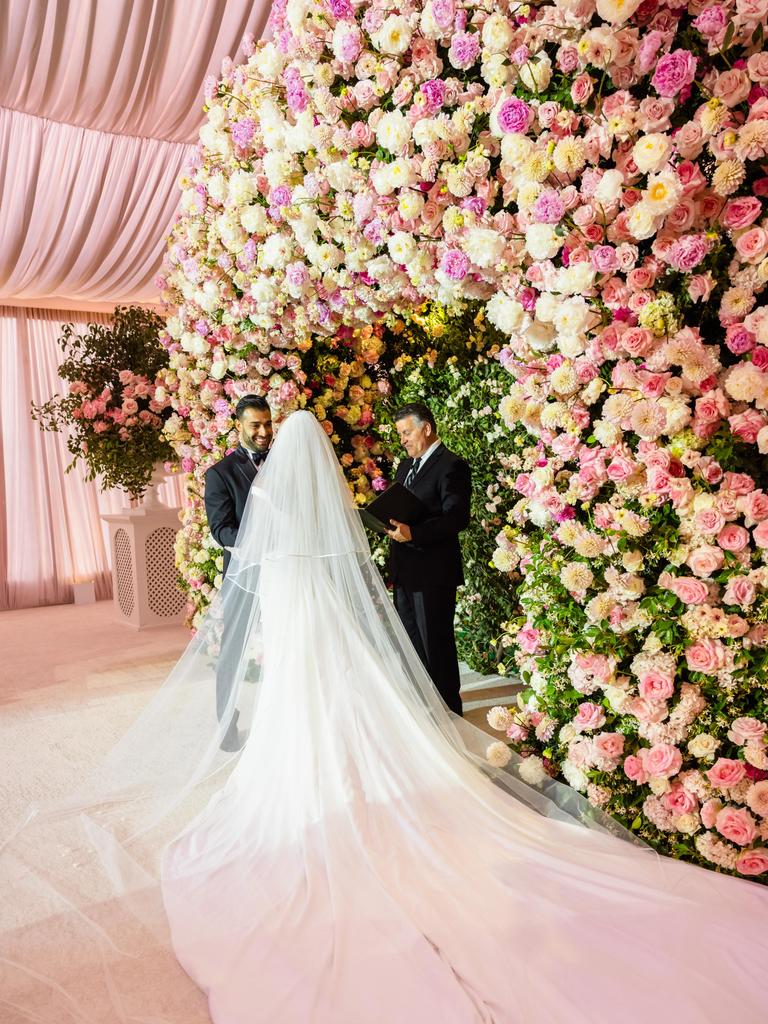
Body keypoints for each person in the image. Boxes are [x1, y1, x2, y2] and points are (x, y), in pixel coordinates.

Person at [3, 411, 768, 1024]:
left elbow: (262, 555)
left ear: (279, 447)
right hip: (326, 610)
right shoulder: (321, 497)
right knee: (347, 687)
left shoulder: (270, 495)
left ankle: (304, 771)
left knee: (297, 695)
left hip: (292, 610)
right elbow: (345, 559)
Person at [387, 402, 471, 715]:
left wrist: (415, 534)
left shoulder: (452, 465)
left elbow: (456, 518)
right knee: (412, 650)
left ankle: (451, 715)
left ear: (426, 428)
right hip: (405, 571)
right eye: (400, 434)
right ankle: (425, 713)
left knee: (437, 648)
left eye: (406, 432)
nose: (403, 440)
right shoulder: (405, 466)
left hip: (434, 574)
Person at [204, 394, 272, 750]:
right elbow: (221, 530)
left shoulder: (284, 462)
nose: (263, 432)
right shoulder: (219, 474)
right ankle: (227, 727)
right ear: (239, 427)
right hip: (244, 576)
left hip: (284, 573)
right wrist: (262, 542)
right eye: (255, 425)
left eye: (267, 424)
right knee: (233, 651)